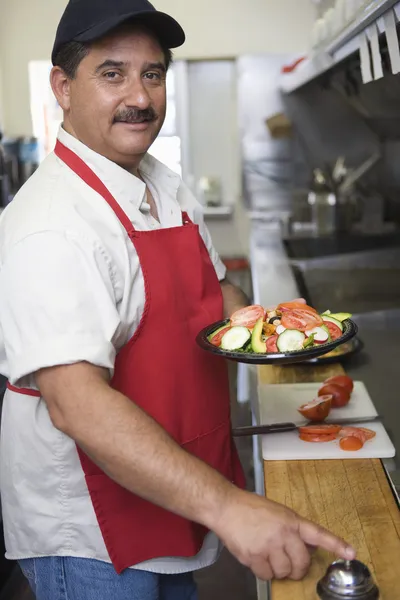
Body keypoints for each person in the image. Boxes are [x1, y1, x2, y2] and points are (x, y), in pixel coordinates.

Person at [0, 1, 356, 598]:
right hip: (95, 538)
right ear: (63, 87)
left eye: (153, 73)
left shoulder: (161, 180)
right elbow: (77, 405)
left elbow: (216, 296)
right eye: (112, 73)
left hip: (172, 492)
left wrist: (285, 331)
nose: (140, 96)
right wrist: (229, 506)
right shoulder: (50, 224)